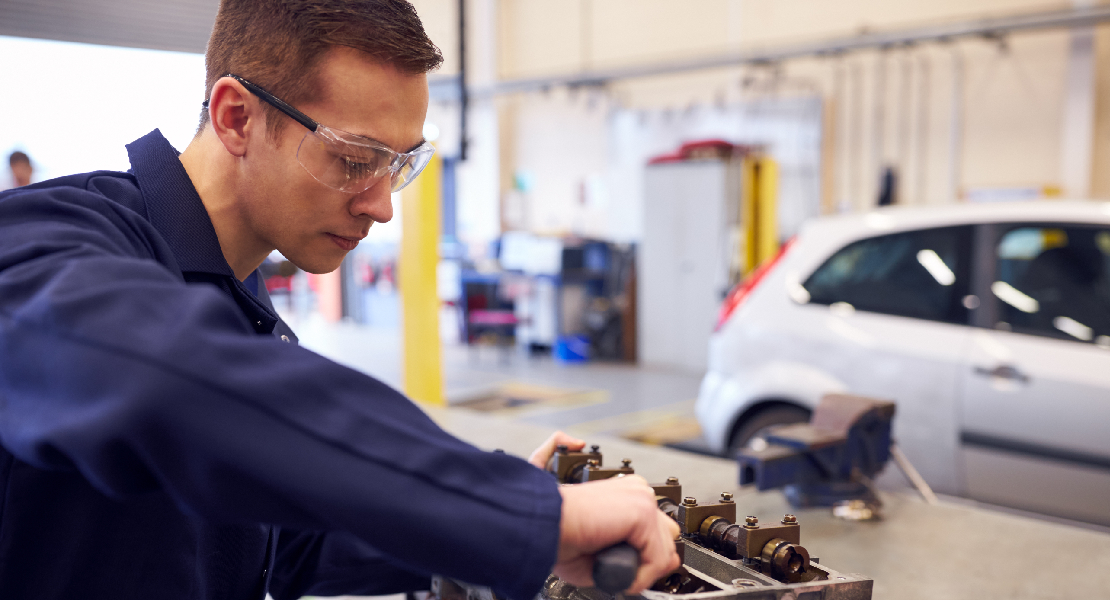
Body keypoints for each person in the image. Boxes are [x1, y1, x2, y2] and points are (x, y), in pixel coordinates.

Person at [0, 1, 679, 599]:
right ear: (236, 118)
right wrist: (517, 512)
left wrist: (488, 518)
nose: (382, 206)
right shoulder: (45, 244)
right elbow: (165, 382)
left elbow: (285, 540)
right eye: (356, 160)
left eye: (398, 166)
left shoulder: (236, 291)